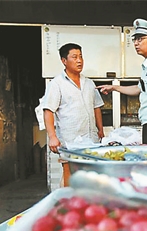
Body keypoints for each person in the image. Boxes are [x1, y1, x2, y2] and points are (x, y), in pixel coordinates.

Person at [98, 18, 147, 144]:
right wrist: (114, 88)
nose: (136, 43)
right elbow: (139, 89)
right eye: (135, 39)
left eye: (140, 39)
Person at [42, 43, 105, 186]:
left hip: (91, 139)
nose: (79, 61)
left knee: (90, 178)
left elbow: (97, 108)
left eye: (81, 57)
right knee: (70, 178)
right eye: (74, 57)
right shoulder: (56, 83)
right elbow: (48, 111)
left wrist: (100, 129)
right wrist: (52, 137)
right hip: (70, 141)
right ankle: (67, 204)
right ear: (64, 61)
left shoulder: (89, 83)